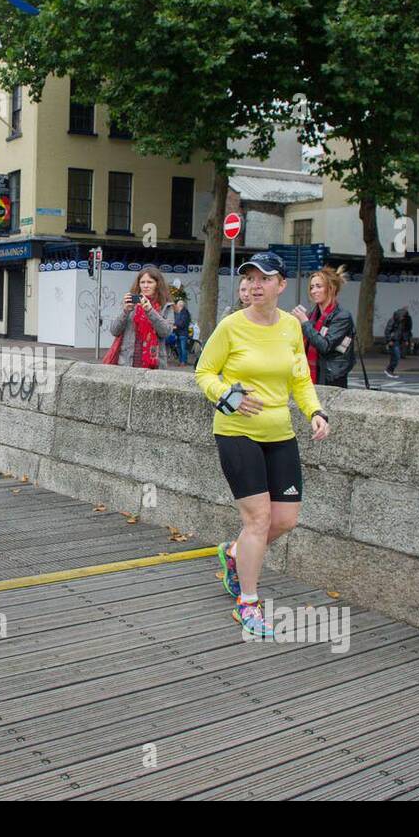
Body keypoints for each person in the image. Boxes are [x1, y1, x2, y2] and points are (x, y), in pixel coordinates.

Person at [195, 251, 330, 638]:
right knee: (258, 519)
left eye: (264, 279)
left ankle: (235, 553)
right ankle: (248, 604)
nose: (255, 286)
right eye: (249, 279)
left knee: (286, 519)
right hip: (237, 431)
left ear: (281, 285)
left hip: (280, 432)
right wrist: (228, 395)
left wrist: (315, 412)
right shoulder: (230, 327)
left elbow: (299, 379)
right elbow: (203, 372)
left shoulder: (291, 327)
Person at [291, 265, 355, 388]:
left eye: (318, 286)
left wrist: (305, 322)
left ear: (331, 288)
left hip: (331, 378)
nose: (313, 291)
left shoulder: (342, 317)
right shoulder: (312, 315)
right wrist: (296, 324)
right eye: (311, 287)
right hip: (309, 374)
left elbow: (325, 346)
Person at [107, 266, 173, 369]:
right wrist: (125, 311)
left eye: (150, 282)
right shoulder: (130, 303)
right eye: (142, 282)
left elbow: (165, 332)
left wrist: (150, 311)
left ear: (157, 284)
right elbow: (114, 331)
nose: (145, 286)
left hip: (154, 365)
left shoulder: (166, 306)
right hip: (128, 363)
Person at [383, 306, 411, 378]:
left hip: (398, 340)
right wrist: (389, 340)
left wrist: (405, 340)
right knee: (396, 356)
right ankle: (389, 370)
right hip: (393, 341)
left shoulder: (404, 322)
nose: (403, 318)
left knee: (395, 357)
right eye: (402, 317)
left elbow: (405, 331)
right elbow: (387, 331)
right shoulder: (393, 320)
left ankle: (390, 370)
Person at [172, 298, 193, 365]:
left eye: (178, 305)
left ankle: (183, 361)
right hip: (178, 333)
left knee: (183, 348)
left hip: (183, 333)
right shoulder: (178, 312)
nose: (177, 306)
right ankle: (181, 361)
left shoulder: (185, 312)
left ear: (181, 305)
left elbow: (182, 323)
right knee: (179, 348)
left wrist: (176, 326)